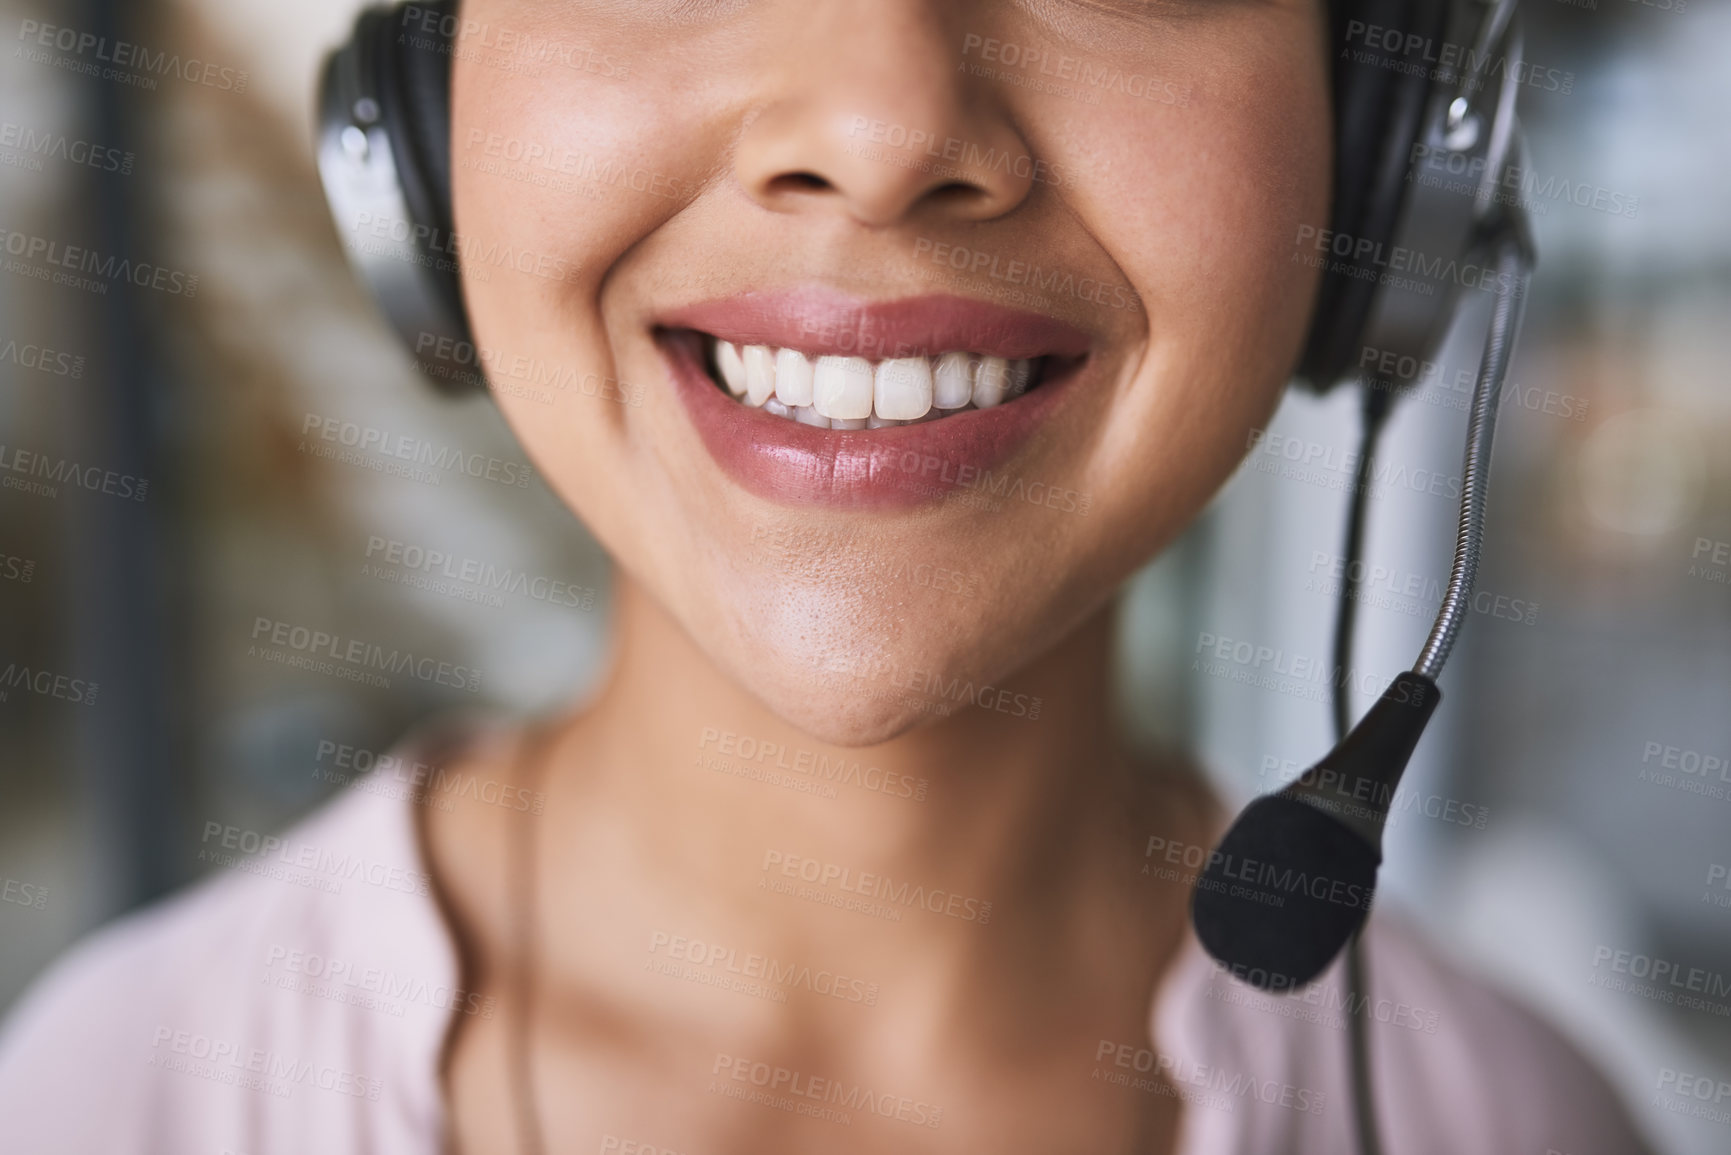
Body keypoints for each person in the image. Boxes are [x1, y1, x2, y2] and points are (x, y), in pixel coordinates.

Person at [0, 1, 1654, 1152]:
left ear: (1387, 161)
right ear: (417, 128)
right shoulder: (117, 1102)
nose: (879, 129)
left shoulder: (1512, 1127)